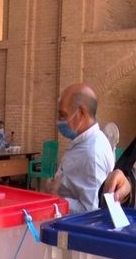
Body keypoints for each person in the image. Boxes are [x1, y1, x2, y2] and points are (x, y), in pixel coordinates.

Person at [46, 83, 115, 214]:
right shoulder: (84, 142)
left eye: (63, 115)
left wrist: (55, 197)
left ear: (82, 113)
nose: (58, 121)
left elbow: (91, 211)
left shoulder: (92, 153)